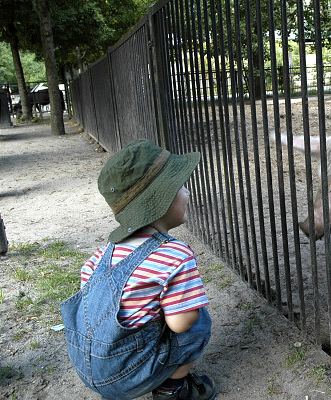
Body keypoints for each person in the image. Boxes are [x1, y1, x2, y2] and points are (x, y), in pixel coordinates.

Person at [60, 139, 216, 400]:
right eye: (180, 186)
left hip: (90, 370)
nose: (187, 192)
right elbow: (180, 325)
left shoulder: (99, 257)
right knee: (198, 320)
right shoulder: (175, 254)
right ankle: (170, 391)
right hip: (126, 376)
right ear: (162, 199)